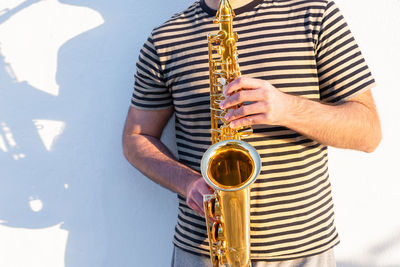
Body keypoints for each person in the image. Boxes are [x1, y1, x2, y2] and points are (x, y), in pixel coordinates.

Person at [122, 0, 382, 266]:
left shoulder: (316, 15)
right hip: (205, 251)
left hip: (301, 253)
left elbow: (368, 132)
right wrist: (186, 182)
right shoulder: (165, 39)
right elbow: (136, 137)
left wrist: (288, 108)